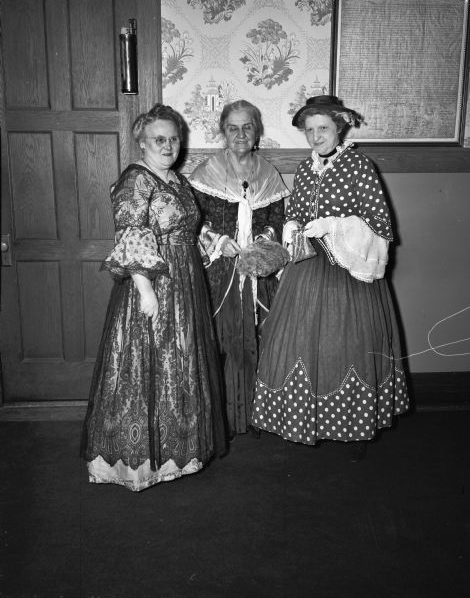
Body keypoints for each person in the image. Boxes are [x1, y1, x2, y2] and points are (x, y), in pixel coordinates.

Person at [251, 95, 409, 460]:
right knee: (298, 343)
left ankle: (352, 427)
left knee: (347, 343)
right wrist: (293, 224)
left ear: (339, 127)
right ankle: (306, 422)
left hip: (348, 272)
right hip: (307, 268)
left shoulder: (359, 166)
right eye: (309, 130)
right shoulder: (306, 169)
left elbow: (379, 223)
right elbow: (299, 210)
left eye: (322, 128)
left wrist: (334, 227)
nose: (316, 136)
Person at [81, 103, 226, 491]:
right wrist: (145, 289)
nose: (167, 145)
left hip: (185, 279)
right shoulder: (136, 179)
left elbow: (190, 227)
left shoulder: (177, 180)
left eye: (173, 139)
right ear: (142, 142)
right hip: (154, 281)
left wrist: (218, 243)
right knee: (146, 361)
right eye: (159, 139)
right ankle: (139, 464)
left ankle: (178, 457)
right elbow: (131, 235)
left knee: (180, 358)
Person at [189, 100, 290, 438]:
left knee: (263, 336)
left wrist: (263, 239)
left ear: (257, 131)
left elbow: (276, 218)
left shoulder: (268, 173)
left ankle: (258, 415)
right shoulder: (206, 172)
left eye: (247, 127)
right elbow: (194, 221)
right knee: (219, 338)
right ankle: (222, 420)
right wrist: (217, 240)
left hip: (258, 271)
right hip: (219, 271)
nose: (241, 134)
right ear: (223, 131)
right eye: (233, 127)